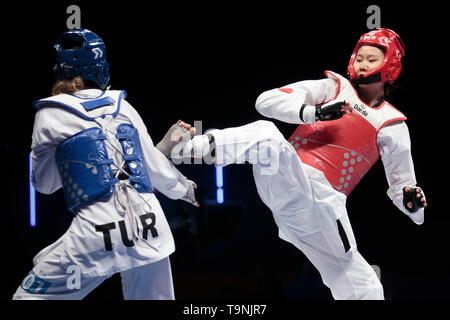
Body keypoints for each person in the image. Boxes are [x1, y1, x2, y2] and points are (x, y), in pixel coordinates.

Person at [168, 28, 427, 299]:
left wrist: (413, 206)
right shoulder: (333, 88)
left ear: (391, 64)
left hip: (322, 211)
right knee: (266, 136)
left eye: (371, 59)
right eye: (359, 57)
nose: (362, 63)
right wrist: (311, 113)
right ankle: (181, 149)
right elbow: (264, 101)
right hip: (287, 178)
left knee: (366, 288)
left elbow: (404, 190)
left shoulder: (392, 124)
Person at [13, 29, 198, 300]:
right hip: (151, 228)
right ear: (101, 65)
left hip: (96, 237)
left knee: (27, 298)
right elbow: (155, 168)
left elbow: (45, 185)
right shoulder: (123, 106)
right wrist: (186, 190)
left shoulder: (49, 113)